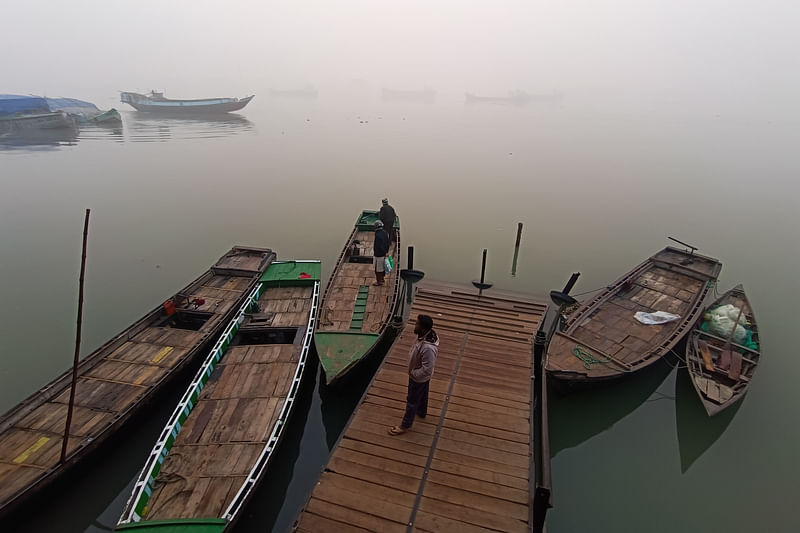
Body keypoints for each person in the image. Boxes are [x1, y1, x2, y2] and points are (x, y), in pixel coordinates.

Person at [388, 314, 439, 435]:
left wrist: (414, 373)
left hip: (418, 377)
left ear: (423, 328)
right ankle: (421, 412)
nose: (415, 326)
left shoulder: (428, 348)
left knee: (411, 400)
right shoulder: (423, 336)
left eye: (417, 324)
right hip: (422, 377)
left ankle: (405, 425)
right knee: (423, 394)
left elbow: (427, 368)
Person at [373, 220, 390, 286]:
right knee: (382, 268)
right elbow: (388, 243)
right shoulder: (385, 233)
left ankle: (379, 282)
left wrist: (383, 252)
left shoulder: (377, 235)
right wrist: (386, 252)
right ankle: (382, 279)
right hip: (384, 253)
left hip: (378, 255)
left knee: (377, 270)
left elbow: (379, 246)